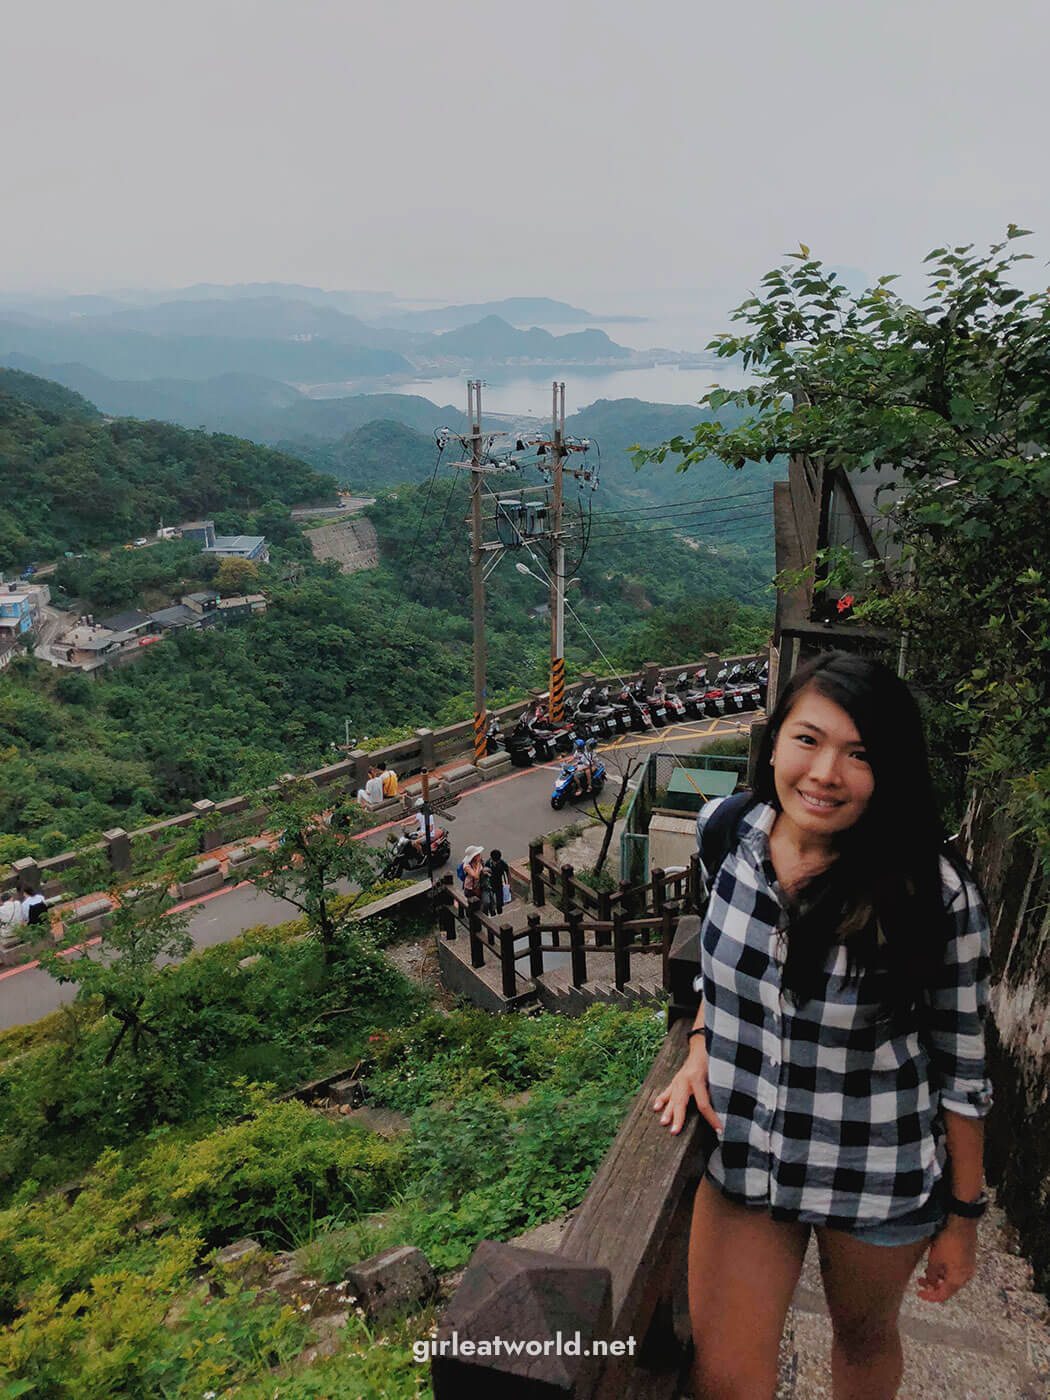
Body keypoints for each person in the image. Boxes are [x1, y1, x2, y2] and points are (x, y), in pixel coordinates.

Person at [652, 651, 991, 1400]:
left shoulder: (933, 893)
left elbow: (963, 1068)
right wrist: (702, 1041)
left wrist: (963, 1218)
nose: (826, 772)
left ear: (890, 769)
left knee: (864, 1345)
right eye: (808, 740)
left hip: (875, 1173)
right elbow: (719, 966)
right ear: (774, 741)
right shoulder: (727, 834)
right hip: (747, 1163)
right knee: (727, 1380)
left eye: (859, 753)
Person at [486, 849, 511, 915]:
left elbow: (508, 872)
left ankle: (500, 913)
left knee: (499, 901)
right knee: (491, 902)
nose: (496, 863)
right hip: (490, 884)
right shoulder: (488, 863)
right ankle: (492, 914)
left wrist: (509, 884)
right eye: (495, 862)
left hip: (499, 884)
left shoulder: (503, 863)